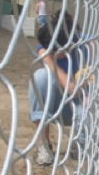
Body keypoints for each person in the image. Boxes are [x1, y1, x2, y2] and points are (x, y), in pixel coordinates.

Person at [29, 10, 88, 165]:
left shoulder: (87, 45)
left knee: (87, 105)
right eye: (50, 50)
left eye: (56, 50)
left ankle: (80, 143)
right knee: (40, 76)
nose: (52, 53)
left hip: (83, 105)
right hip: (58, 106)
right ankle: (44, 145)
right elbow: (70, 87)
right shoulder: (45, 50)